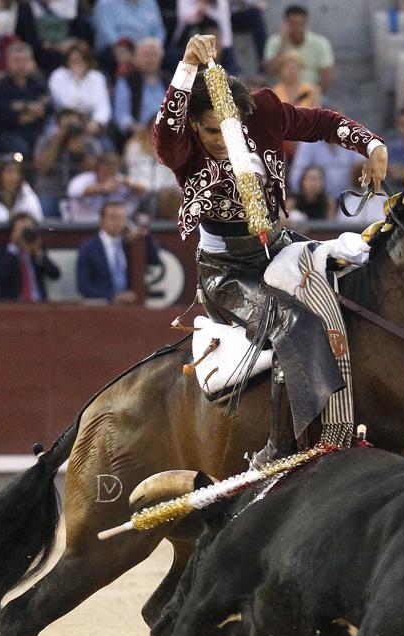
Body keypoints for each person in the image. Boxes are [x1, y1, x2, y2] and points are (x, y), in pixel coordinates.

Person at [155, 34, 387, 464]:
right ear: (193, 125)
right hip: (226, 270)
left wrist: (370, 144)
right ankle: (278, 449)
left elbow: (319, 122)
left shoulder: (263, 110)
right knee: (293, 324)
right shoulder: (181, 147)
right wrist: (186, 68)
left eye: (230, 128)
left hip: (278, 245)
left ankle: (357, 423)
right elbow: (165, 131)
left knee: (360, 294)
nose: (222, 139)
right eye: (210, 131)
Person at [0, 41, 50, 156]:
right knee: (21, 149)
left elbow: (48, 108)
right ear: (7, 62)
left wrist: (21, 107)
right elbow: (3, 114)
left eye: (25, 60)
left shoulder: (38, 83)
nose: (21, 65)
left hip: (36, 130)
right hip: (8, 133)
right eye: (16, 60)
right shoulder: (0, 86)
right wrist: (31, 108)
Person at [33, 108, 104, 218]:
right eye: (66, 118)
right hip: (51, 192)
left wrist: (82, 153)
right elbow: (43, 167)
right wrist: (59, 140)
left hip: (81, 194)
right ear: (58, 122)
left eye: (73, 118)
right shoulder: (46, 140)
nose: (70, 122)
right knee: (45, 209)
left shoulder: (90, 143)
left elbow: (96, 172)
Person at [76, 199, 143, 302]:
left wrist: (142, 237)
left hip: (129, 305)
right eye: (112, 218)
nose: (118, 222)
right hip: (101, 306)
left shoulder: (129, 244)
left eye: (121, 218)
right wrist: (112, 296)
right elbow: (83, 286)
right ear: (101, 220)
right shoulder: (88, 248)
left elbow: (154, 260)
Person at [263, 5, 334, 91]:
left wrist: (313, 96)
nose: (297, 28)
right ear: (285, 24)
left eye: (300, 24)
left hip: (311, 94)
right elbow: (269, 71)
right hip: (281, 95)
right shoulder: (274, 42)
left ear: (306, 24)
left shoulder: (321, 43)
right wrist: (283, 46)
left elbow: (326, 77)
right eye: (292, 24)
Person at [48, 41, 111, 136]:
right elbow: (65, 103)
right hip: (63, 122)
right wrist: (77, 81)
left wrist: (97, 122)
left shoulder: (97, 77)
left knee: (106, 146)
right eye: (73, 61)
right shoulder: (58, 76)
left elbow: (103, 106)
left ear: (88, 61)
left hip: (89, 123)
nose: (77, 64)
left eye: (81, 61)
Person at [0, 212, 60, 300]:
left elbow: (55, 274)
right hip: (12, 305)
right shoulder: (2, 251)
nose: (24, 234)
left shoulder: (37, 250)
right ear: (13, 231)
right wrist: (13, 247)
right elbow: (1, 277)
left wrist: (37, 254)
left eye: (28, 230)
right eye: (21, 230)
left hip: (38, 302)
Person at [64, 152, 145, 222]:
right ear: (96, 170)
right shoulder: (84, 178)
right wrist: (103, 188)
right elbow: (73, 191)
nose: (109, 175)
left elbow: (143, 190)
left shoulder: (121, 180)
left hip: (114, 228)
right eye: (106, 171)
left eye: (112, 171)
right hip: (83, 226)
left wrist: (131, 185)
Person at [114, 37, 168, 139]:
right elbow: (121, 116)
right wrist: (142, 130)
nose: (150, 60)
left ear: (161, 58)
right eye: (146, 55)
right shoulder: (126, 81)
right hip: (139, 136)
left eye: (154, 55)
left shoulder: (171, 81)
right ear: (136, 58)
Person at [91, 0, 165, 60]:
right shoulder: (105, 4)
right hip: (118, 48)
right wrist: (129, 48)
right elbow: (107, 34)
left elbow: (159, 31)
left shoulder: (150, 2)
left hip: (146, 48)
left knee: (171, 57)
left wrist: (153, 46)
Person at [0, 155, 43, 222]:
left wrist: (17, 217)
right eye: (9, 172)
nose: (13, 177)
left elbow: (37, 214)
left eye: (17, 172)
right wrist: (18, 217)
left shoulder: (24, 188)